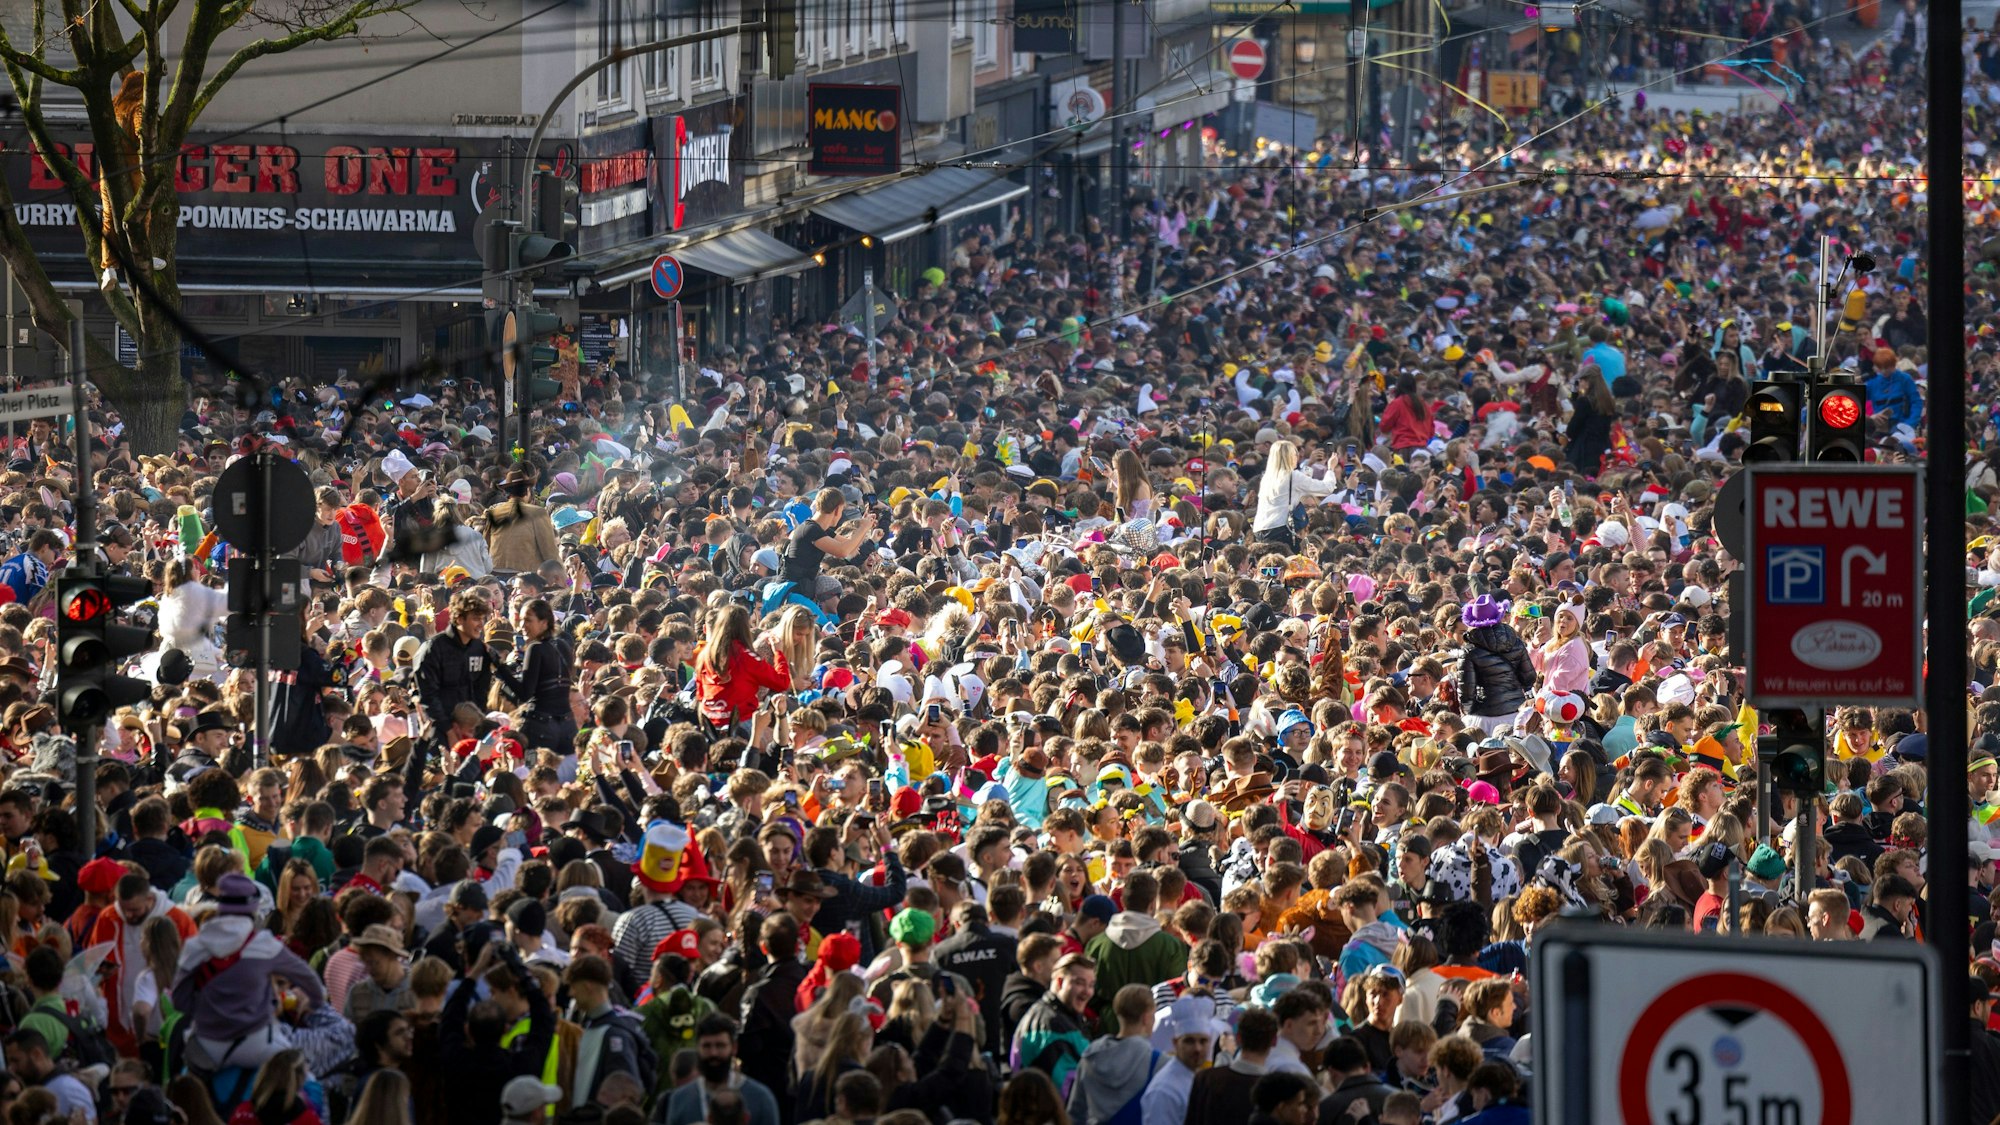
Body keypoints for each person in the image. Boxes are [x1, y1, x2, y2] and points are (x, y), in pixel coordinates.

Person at [654, 1014, 781, 1125]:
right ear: (697, 1047)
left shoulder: (761, 1098)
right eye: (707, 1046)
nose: (713, 1053)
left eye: (720, 1045)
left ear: (734, 1048)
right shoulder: (680, 1099)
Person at [1140, 995, 1222, 1125]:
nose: (1197, 1049)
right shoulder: (1164, 1090)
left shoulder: (1199, 1078)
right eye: (1189, 1041)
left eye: (1203, 1041)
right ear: (1176, 1043)